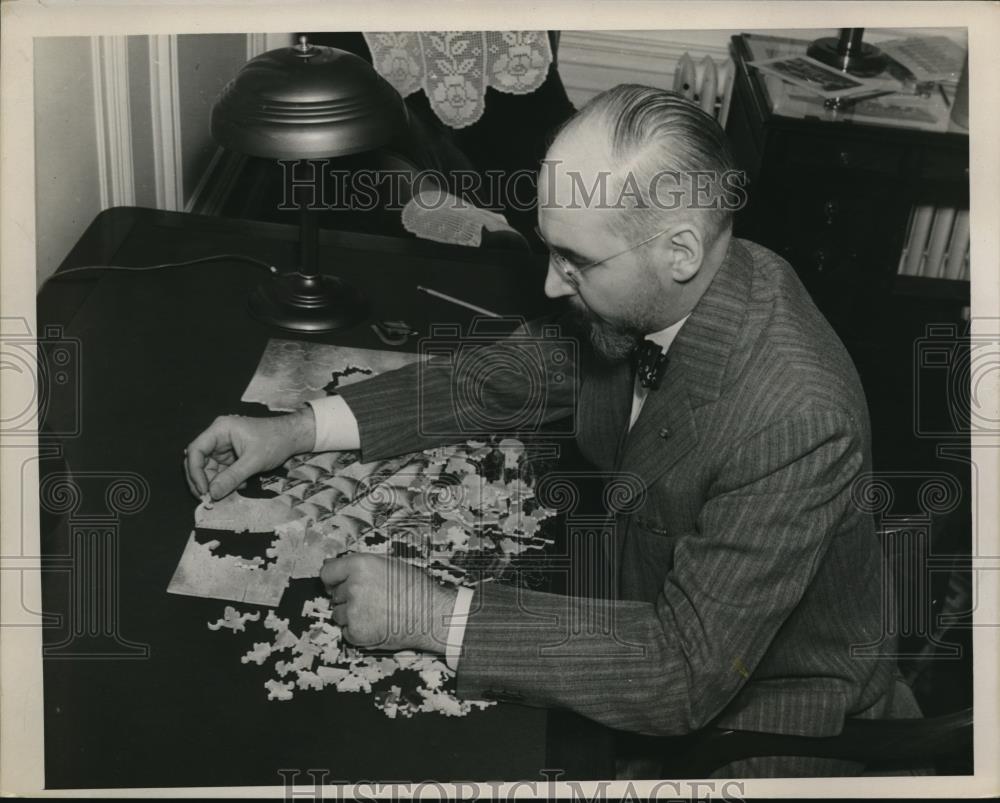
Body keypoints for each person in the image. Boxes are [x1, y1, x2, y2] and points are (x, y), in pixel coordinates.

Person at [185, 85, 918, 777]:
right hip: (628, 593)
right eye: (550, 247)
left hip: (760, 714)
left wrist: (432, 612)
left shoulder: (797, 419)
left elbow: (681, 673)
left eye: (576, 261)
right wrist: (300, 426)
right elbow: (514, 372)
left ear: (681, 251)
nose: (548, 285)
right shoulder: (658, 287)